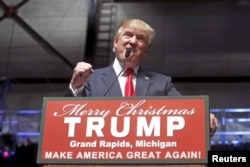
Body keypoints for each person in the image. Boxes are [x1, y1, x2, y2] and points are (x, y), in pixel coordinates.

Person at [68, 18, 218, 136]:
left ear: (146, 51)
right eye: (128, 35)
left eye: (140, 39)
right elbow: (67, 118)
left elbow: (184, 108)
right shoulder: (90, 78)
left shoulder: (161, 83)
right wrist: (75, 87)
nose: (133, 41)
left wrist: (203, 115)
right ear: (115, 42)